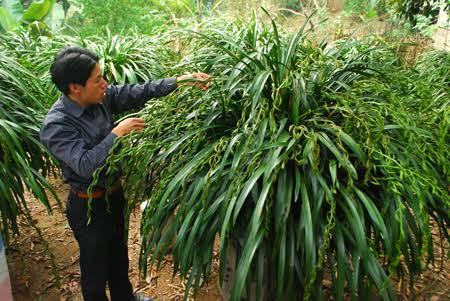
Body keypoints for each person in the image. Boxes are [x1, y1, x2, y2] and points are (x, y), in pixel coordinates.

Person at [40, 46, 209, 301]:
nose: (105, 83)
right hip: (88, 207)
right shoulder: (57, 125)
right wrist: (117, 133)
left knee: (118, 256)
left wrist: (180, 81)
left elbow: (139, 91)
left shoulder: (100, 98)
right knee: (95, 270)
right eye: (97, 79)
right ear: (75, 88)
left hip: (114, 195)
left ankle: (125, 298)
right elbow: (85, 165)